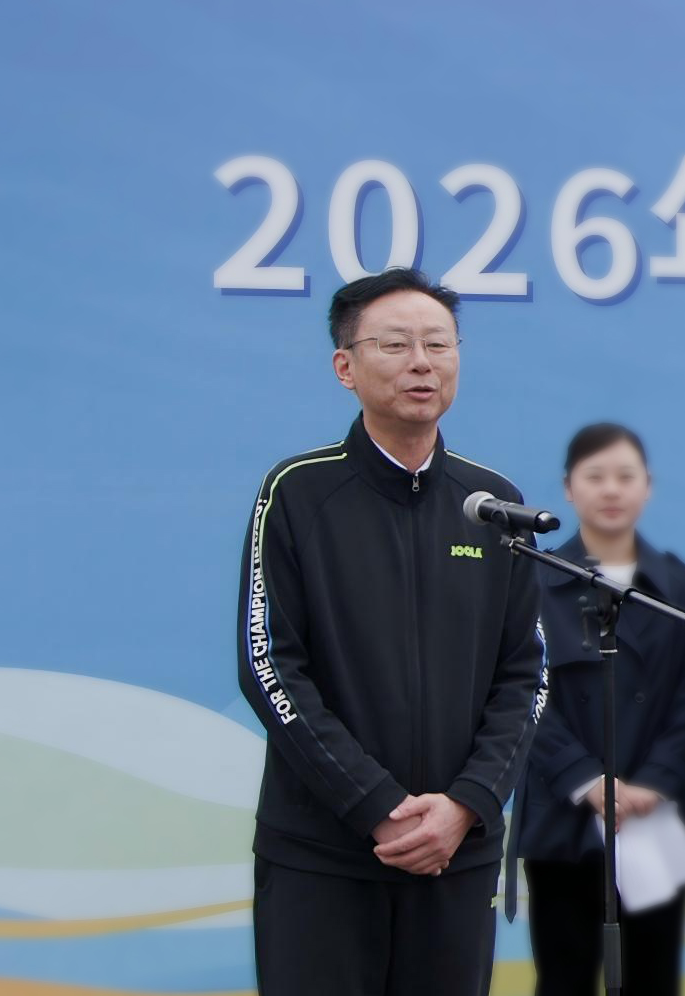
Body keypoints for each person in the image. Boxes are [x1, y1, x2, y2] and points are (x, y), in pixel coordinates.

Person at [236, 267, 547, 996]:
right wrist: (376, 806)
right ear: (344, 367)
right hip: (324, 856)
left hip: (456, 853)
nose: (421, 363)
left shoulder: (492, 503)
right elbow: (269, 665)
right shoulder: (297, 493)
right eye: (396, 344)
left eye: (438, 344)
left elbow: (525, 673)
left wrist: (468, 803)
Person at [506, 423, 685, 996]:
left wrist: (653, 782)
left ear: (647, 486)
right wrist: (585, 780)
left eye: (625, 476)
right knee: (565, 976)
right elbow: (519, 692)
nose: (610, 489)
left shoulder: (679, 586)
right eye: (594, 476)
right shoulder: (532, 581)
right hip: (564, 816)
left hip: (655, 818)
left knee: (653, 976)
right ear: (568, 488)